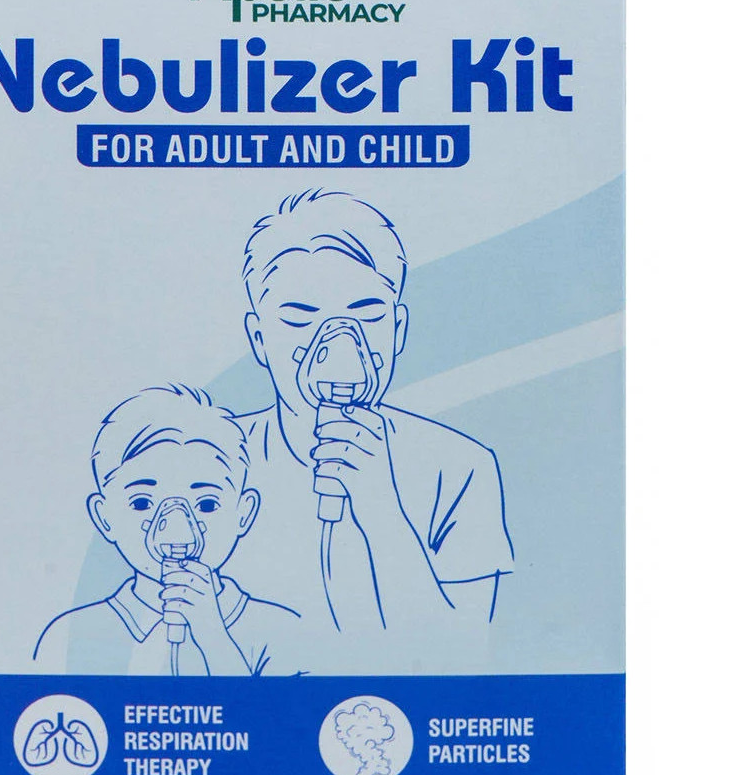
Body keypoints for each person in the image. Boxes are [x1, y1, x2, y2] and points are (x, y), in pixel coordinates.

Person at [225, 190, 513, 670]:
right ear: (258, 337)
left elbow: (461, 663)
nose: (339, 341)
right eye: (299, 318)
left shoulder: (460, 469)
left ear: (398, 328)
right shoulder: (213, 466)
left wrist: (381, 507)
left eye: (367, 314)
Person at [33, 385, 300, 674]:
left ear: (244, 512)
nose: (177, 532)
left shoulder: (281, 634)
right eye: (142, 503)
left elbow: (273, 706)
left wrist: (213, 636)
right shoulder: (72, 634)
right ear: (103, 515)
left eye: (207, 504)